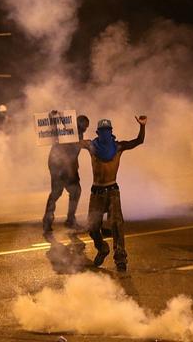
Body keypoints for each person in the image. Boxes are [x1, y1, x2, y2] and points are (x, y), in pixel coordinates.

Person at [80, 115, 147, 272]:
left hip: (112, 190)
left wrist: (142, 126)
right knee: (93, 227)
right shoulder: (91, 146)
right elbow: (72, 142)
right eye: (102, 131)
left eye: (107, 130)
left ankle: (120, 258)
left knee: (117, 225)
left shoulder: (118, 147)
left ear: (111, 132)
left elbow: (139, 141)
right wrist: (62, 125)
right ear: (97, 132)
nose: (104, 134)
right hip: (96, 191)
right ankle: (102, 248)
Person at [42, 114, 90, 238]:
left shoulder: (77, 134)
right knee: (57, 192)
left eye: (85, 127)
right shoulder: (67, 132)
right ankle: (49, 220)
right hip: (59, 166)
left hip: (68, 167)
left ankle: (67, 220)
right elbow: (54, 132)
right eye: (83, 126)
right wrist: (52, 119)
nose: (84, 129)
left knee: (74, 192)